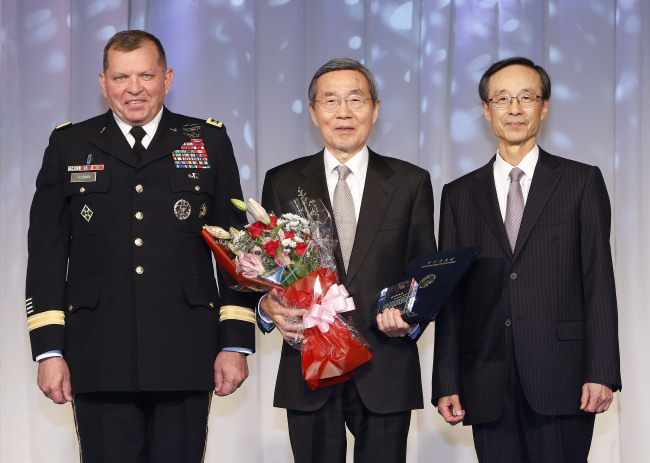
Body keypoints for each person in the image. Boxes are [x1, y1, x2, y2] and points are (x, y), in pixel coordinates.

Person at [25, 30, 255, 463]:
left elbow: (236, 251)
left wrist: (235, 342)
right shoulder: (69, 144)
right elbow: (47, 254)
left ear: (167, 78)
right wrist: (50, 350)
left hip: (186, 348)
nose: (134, 88)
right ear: (102, 82)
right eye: (121, 77)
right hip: (98, 350)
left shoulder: (206, 141)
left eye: (146, 75)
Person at [432, 57, 621, 462]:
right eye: (502, 99)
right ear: (486, 109)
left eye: (526, 97)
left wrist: (602, 372)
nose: (514, 109)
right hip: (485, 377)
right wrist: (446, 379)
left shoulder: (580, 181)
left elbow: (598, 280)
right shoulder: (459, 195)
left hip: (564, 374)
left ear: (544, 106)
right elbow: (451, 298)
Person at [258, 58, 437, 463]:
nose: (343, 112)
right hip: (310, 366)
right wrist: (267, 309)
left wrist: (408, 317)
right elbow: (269, 269)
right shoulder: (282, 180)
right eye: (330, 101)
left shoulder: (411, 182)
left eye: (355, 100)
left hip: (385, 364)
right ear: (313, 112)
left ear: (375, 108)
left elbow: (423, 271)